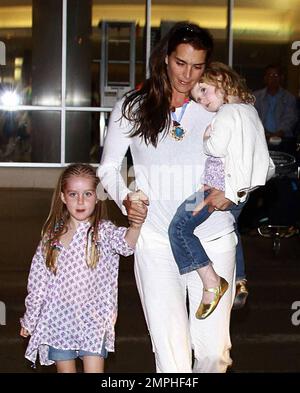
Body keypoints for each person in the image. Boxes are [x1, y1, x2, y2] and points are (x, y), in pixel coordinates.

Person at [98, 22, 239, 373]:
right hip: (157, 244)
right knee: (172, 359)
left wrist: (233, 190)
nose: (187, 75)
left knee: (213, 354)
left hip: (212, 241)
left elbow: (257, 161)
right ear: (164, 59)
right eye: (180, 63)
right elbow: (108, 169)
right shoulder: (133, 106)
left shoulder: (220, 107)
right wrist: (126, 198)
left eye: (197, 67)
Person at [168, 62, 275, 319]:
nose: (202, 100)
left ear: (222, 82)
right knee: (233, 230)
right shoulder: (250, 112)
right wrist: (240, 192)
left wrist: (207, 136)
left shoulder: (226, 113)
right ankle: (239, 279)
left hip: (218, 189)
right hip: (229, 189)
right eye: (197, 97)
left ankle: (212, 281)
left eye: (204, 90)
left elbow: (215, 148)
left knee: (178, 228)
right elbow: (264, 163)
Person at [19, 163, 143, 373]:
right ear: (63, 197)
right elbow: (38, 284)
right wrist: (30, 319)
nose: (81, 201)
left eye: (87, 193)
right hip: (58, 321)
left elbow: (126, 245)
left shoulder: (103, 232)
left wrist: (136, 225)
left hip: (93, 321)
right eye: (73, 194)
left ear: (97, 196)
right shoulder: (51, 238)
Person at [254, 64, 298, 141]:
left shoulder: (289, 98)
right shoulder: (256, 97)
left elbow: (290, 118)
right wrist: (264, 133)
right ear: (265, 78)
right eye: (270, 75)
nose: (273, 78)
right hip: (260, 138)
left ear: (281, 78)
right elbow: (254, 117)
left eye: (276, 75)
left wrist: (279, 133)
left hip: (284, 139)